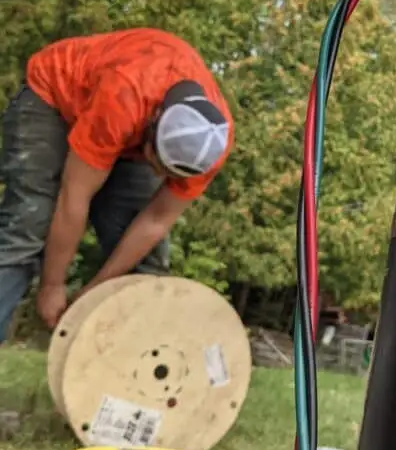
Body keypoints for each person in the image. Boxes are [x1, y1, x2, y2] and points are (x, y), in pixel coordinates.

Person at [0, 27, 233, 341]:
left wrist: (94, 292)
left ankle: (128, 379)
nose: (161, 178)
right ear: (152, 125)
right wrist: (52, 285)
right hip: (54, 98)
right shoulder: (125, 95)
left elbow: (155, 220)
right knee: (28, 226)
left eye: (171, 176)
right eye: (159, 166)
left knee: (146, 264)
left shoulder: (212, 142)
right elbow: (74, 197)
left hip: (127, 131)